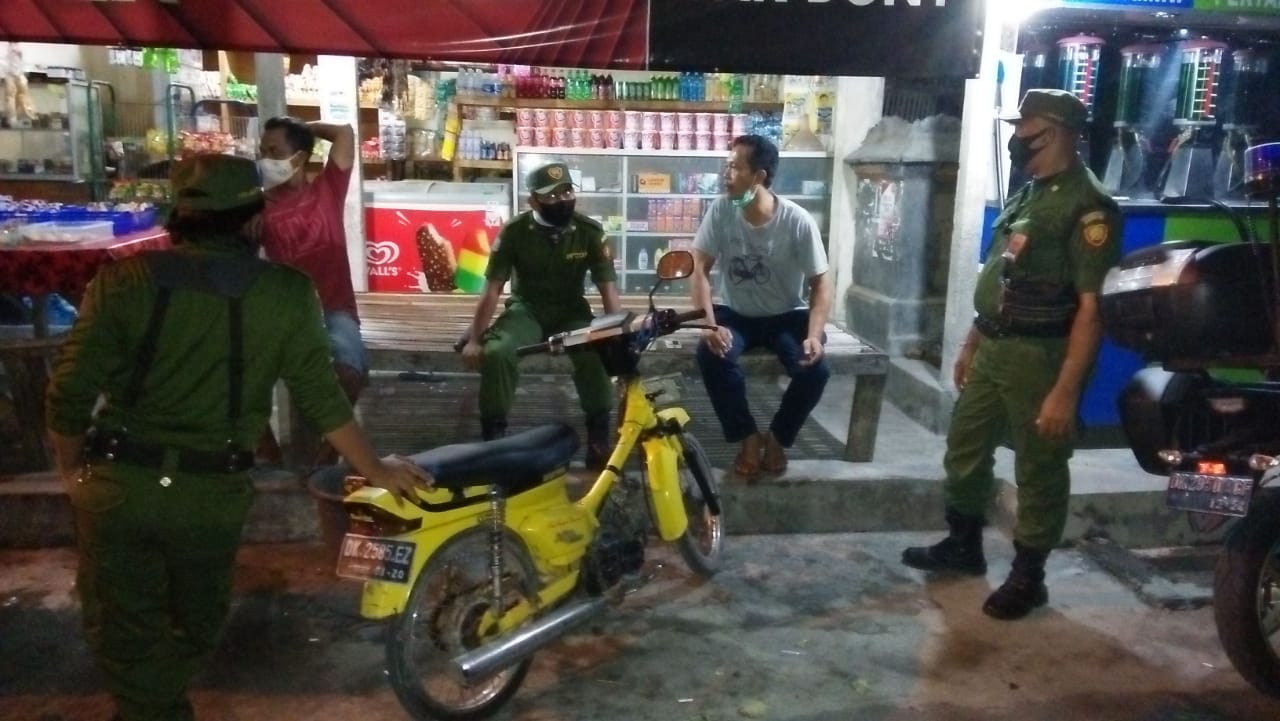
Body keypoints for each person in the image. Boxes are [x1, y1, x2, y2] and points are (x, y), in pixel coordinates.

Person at [44, 154, 433, 721]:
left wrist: (72, 474)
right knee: (194, 625)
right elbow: (322, 399)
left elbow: (67, 396)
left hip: (118, 484)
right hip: (210, 496)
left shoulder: (124, 281)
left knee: (126, 634)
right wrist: (375, 469)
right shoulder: (286, 293)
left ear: (178, 218)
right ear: (253, 222)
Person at [901, 89, 1123, 620]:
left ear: (1056, 131)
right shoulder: (1029, 195)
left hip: (1040, 357)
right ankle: (963, 545)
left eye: (1026, 127)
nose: (1017, 137)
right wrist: (973, 341)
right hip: (995, 348)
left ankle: (1029, 576)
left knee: (1040, 464)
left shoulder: (1088, 208)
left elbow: (1091, 311)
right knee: (965, 449)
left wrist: (1066, 393)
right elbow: (1003, 280)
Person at [460, 160, 621, 469]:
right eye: (551, 196)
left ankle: (599, 438)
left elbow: (607, 289)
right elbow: (492, 289)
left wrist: (615, 332)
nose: (561, 201)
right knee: (497, 351)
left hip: (572, 312)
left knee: (597, 350)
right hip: (527, 311)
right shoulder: (515, 232)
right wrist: (475, 338)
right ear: (532, 200)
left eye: (567, 192)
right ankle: (494, 440)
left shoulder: (589, 232)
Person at [691, 134, 832, 478]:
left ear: (759, 176)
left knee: (816, 370)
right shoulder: (722, 211)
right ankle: (747, 437)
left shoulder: (797, 221)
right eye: (727, 167)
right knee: (712, 354)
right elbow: (699, 268)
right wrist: (709, 324)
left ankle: (779, 439)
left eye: (735, 168)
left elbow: (821, 284)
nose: (726, 175)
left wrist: (814, 335)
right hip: (736, 315)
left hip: (786, 316)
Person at [256, 116, 364, 465]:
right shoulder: (258, 207)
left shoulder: (327, 188)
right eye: (263, 151)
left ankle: (329, 451)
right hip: (282, 313)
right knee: (244, 373)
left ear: (300, 157)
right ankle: (268, 453)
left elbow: (344, 133)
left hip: (335, 310)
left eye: (275, 151)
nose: (266, 160)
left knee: (351, 371)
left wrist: (303, 126)